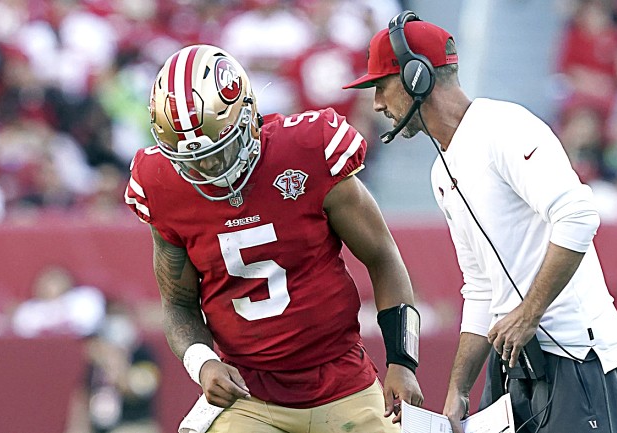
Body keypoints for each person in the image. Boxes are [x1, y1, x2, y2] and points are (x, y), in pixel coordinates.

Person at [343, 11, 617, 433]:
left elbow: (578, 214)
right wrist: (459, 389)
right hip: (515, 365)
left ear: (416, 78)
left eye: (382, 86)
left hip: (579, 357)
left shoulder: (505, 127)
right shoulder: (441, 172)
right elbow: (481, 287)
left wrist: (529, 313)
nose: (377, 104)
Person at [123, 44, 423, 433]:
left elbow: (382, 256)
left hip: (342, 382)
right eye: (191, 161)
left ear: (248, 116)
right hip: (249, 395)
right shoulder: (160, 184)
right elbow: (178, 303)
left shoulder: (307, 150)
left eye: (218, 151)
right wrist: (203, 362)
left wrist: (403, 361)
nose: (208, 167)